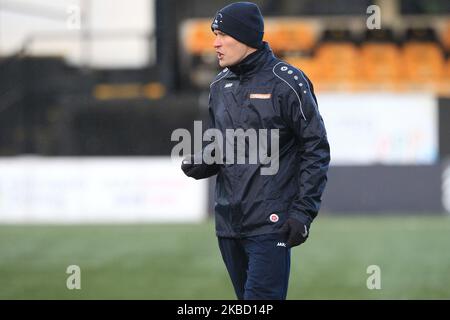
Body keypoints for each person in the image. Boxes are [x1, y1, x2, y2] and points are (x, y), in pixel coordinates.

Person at [181, 2, 330, 300]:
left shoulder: (288, 81)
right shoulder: (218, 86)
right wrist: (205, 161)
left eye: (223, 34)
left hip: (270, 226)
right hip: (227, 225)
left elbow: (316, 149)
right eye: (214, 34)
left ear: (246, 37)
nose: (215, 43)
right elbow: (226, 145)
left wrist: (302, 213)